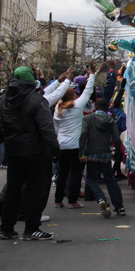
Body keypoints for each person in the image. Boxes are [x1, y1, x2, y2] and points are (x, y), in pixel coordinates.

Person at [0, 67, 58, 241]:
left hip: (13, 150)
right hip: (35, 151)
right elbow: (46, 127)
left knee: (13, 189)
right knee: (36, 190)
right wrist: (55, 148)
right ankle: (32, 228)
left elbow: (1, 125)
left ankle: (6, 228)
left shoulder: (4, 100)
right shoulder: (36, 100)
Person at [53, 62, 99, 209]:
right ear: (72, 95)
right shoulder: (78, 106)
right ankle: (72, 201)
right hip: (76, 145)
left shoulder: (58, 109)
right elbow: (88, 90)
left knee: (62, 173)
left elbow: (55, 128)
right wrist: (92, 74)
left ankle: (58, 199)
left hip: (62, 144)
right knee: (76, 173)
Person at [80, 97, 125, 218]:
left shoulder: (88, 119)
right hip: (105, 154)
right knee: (110, 179)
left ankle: (101, 198)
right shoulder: (110, 121)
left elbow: (83, 134)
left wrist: (81, 151)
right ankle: (119, 207)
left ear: (96, 107)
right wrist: (117, 153)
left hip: (91, 154)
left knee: (91, 179)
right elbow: (116, 138)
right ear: (106, 108)